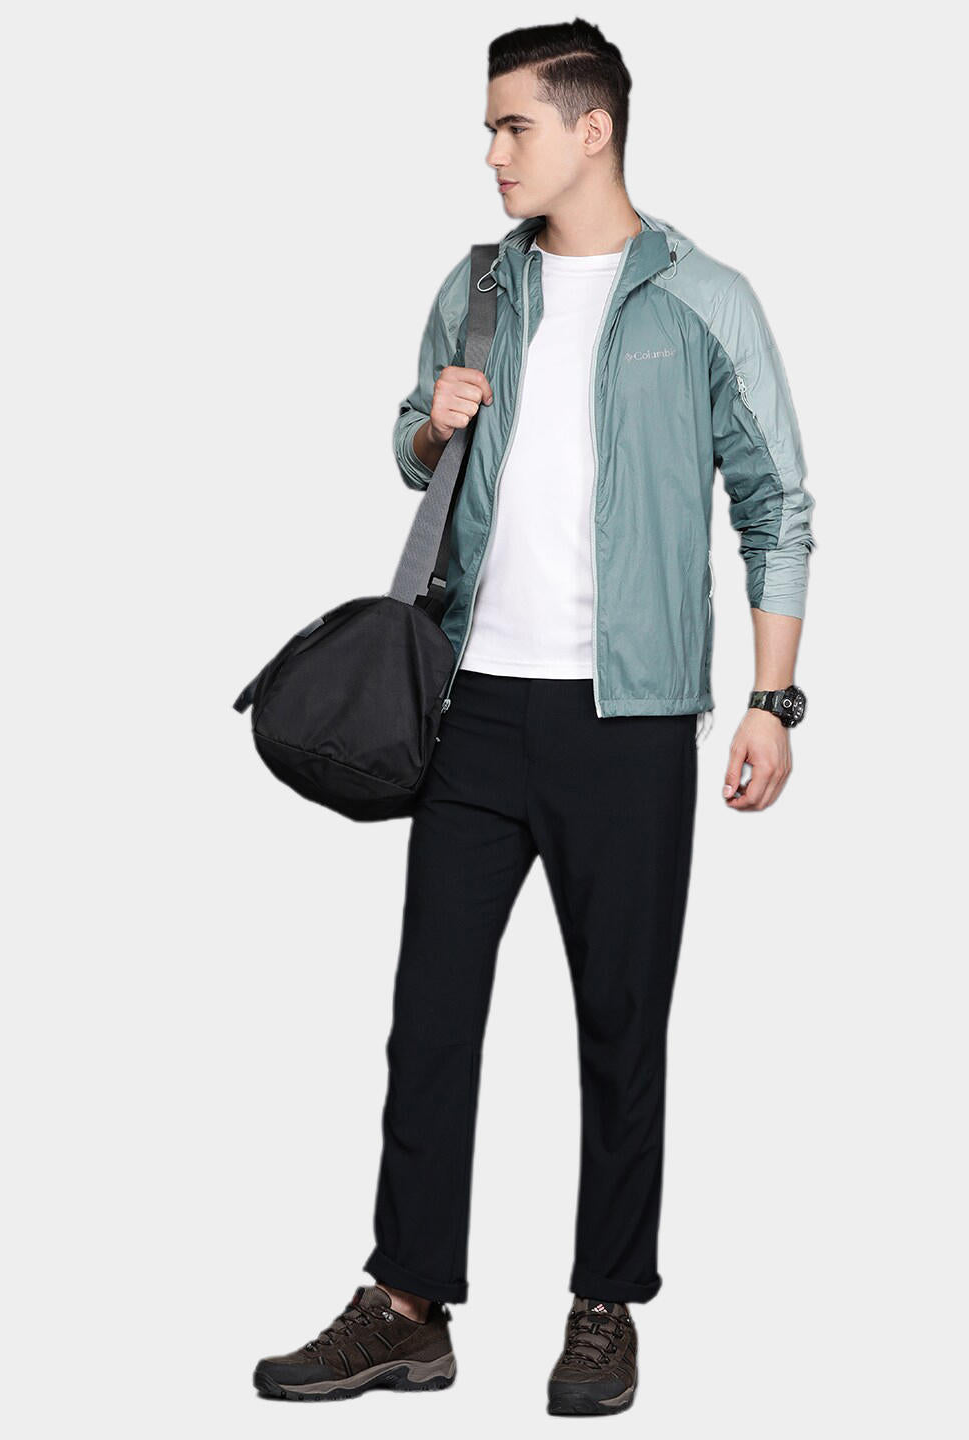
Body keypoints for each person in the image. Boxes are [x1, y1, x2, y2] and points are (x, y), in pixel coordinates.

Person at [254, 17, 815, 1416]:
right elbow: (410, 445)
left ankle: (605, 1306)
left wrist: (772, 698)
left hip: (632, 719)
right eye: (490, 128)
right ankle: (407, 1305)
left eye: (515, 125)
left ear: (592, 127)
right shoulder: (477, 287)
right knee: (430, 1015)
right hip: (471, 709)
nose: (494, 153)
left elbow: (777, 506)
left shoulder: (704, 299)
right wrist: (429, 425)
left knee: (622, 1024)